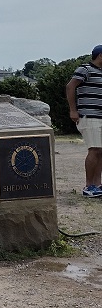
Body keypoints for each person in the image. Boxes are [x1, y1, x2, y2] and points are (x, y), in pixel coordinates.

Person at [66, 45, 102, 197]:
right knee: (94, 149)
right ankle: (89, 186)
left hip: (100, 116)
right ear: (100, 55)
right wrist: (73, 110)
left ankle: (98, 184)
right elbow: (70, 87)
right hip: (89, 115)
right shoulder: (85, 69)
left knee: (100, 151)